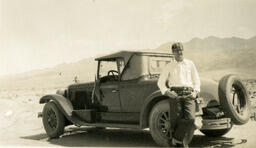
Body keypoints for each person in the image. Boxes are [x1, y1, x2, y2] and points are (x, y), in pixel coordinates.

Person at [157, 42, 200, 147]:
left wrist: (195, 92)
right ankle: (181, 144)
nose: (179, 52)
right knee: (175, 120)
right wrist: (167, 92)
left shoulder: (190, 64)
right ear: (173, 52)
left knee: (190, 119)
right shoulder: (169, 66)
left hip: (189, 93)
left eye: (181, 50)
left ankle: (176, 139)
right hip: (175, 94)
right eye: (176, 50)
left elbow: (196, 80)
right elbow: (160, 82)